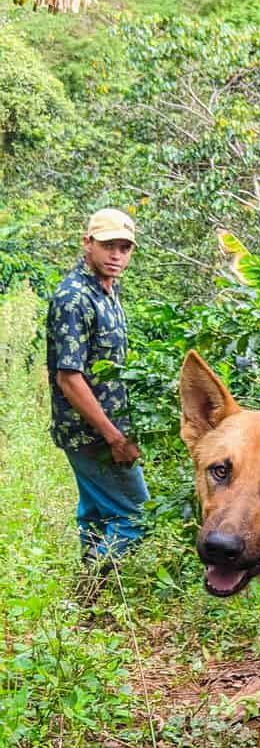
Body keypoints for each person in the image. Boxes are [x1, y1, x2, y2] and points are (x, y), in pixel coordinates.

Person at [46, 208, 148, 567]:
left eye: (124, 247)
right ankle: (90, 590)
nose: (117, 255)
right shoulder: (74, 297)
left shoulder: (108, 290)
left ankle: (89, 606)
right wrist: (114, 438)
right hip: (90, 434)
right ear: (87, 244)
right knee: (135, 516)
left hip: (106, 429)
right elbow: (69, 377)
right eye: (108, 246)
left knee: (96, 515)